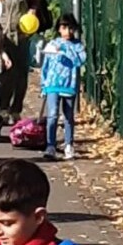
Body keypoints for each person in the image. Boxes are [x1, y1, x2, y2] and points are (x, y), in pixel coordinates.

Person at [39, 14, 86, 162]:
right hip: (53, 84)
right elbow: (45, 65)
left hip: (69, 86)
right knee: (52, 115)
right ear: (59, 29)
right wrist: (44, 84)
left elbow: (80, 61)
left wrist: (67, 51)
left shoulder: (77, 46)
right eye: (64, 28)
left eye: (70, 28)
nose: (67, 31)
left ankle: (68, 144)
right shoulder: (52, 43)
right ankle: (50, 145)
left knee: (68, 116)